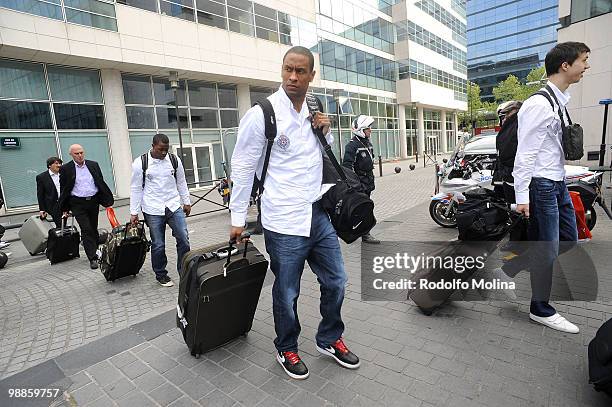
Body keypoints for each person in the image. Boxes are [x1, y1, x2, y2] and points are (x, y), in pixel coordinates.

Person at [229, 46, 360, 380]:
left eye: (301, 71)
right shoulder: (263, 113)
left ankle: (329, 338)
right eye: (288, 69)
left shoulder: (314, 108)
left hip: (317, 215)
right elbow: (242, 168)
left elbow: (317, 156)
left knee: (338, 281)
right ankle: (286, 346)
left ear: (311, 76)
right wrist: (237, 219)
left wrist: (326, 131)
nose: (292, 76)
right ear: (282, 69)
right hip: (283, 220)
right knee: (287, 292)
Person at [513, 41, 590, 333]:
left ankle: (511, 265)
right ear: (565, 65)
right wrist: (522, 196)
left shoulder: (559, 101)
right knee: (547, 249)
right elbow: (526, 154)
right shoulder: (539, 104)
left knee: (569, 237)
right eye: (583, 60)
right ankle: (540, 309)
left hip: (557, 181)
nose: (587, 66)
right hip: (542, 185)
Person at [130, 134, 191, 287]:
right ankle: (161, 274)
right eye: (160, 149)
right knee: (158, 244)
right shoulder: (140, 162)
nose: (164, 153)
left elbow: (181, 182)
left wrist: (187, 202)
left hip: (173, 205)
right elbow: (136, 188)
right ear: (153, 146)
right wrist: (134, 212)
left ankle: (184, 271)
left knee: (183, 238)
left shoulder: (174, 160)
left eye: (166, 149)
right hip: (152, 207)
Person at [59, 144, 114, 270]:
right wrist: (65, 209)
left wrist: (104, 199)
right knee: (86, 229)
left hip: (93, 201)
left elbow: (99, 181)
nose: (80, 155)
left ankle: (96, 251)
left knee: (93, 228)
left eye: (81, 152)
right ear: (71, 155)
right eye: (76, 154)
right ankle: (92, 258)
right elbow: (64, 189)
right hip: (77, 203)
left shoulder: (93, 164)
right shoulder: (66, 169)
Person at [342, 114, 380, 244]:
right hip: (359, 184)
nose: (370, 130)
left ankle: (360, 231)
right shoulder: (352, 146)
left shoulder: (367, 143)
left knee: (366, 207)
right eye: (368, 128)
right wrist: (354, 185)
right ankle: (365, 234)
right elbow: (347, 166)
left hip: (368, 181)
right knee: (363, 209)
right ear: (361, 130)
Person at [36, 157, 63, 228]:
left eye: (60, 163)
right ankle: (62, 237)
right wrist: (42, 209)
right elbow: (40, 194)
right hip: (53, 205)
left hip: (64, 203)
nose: (59, 165)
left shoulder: (64, 174)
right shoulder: (42, 177)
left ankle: (63, 237)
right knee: (60, 224)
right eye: (56, 163)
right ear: (49, 165)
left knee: (64, 224)